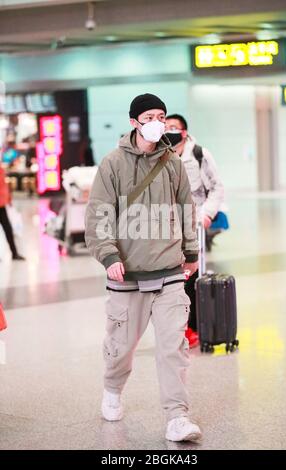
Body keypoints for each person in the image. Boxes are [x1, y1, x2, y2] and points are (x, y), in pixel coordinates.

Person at [85, 93, 202, 442]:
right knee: (121, 347)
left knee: (173, 347)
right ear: (134, 121)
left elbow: (186, 208)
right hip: (127, 274)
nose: (157, 122)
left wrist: (191, 252)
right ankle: (112, 389)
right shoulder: (112, 164)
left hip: (168, 270)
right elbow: (98, 214)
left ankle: (177, 417)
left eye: (161, 116)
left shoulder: (173, 162)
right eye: (149, 116)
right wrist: (108, 256)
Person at [165, 114, 224, 348]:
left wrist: (207, 213)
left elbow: (217, 186)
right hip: (168, 227)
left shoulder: (199, 154)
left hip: (195, 223)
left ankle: (195, 328)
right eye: (165, 126)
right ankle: (177, 328)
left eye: (173, 127)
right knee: (171, 278)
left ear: (184, 132)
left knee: (191, 276)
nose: (168, 130)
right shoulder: (161, 155)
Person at [0, 164, 25, 261]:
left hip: (1, 204)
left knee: (8, 229)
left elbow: (3, 185)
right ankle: (14, 253)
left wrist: (8, 199)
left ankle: (14, 253)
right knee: (7, 228)